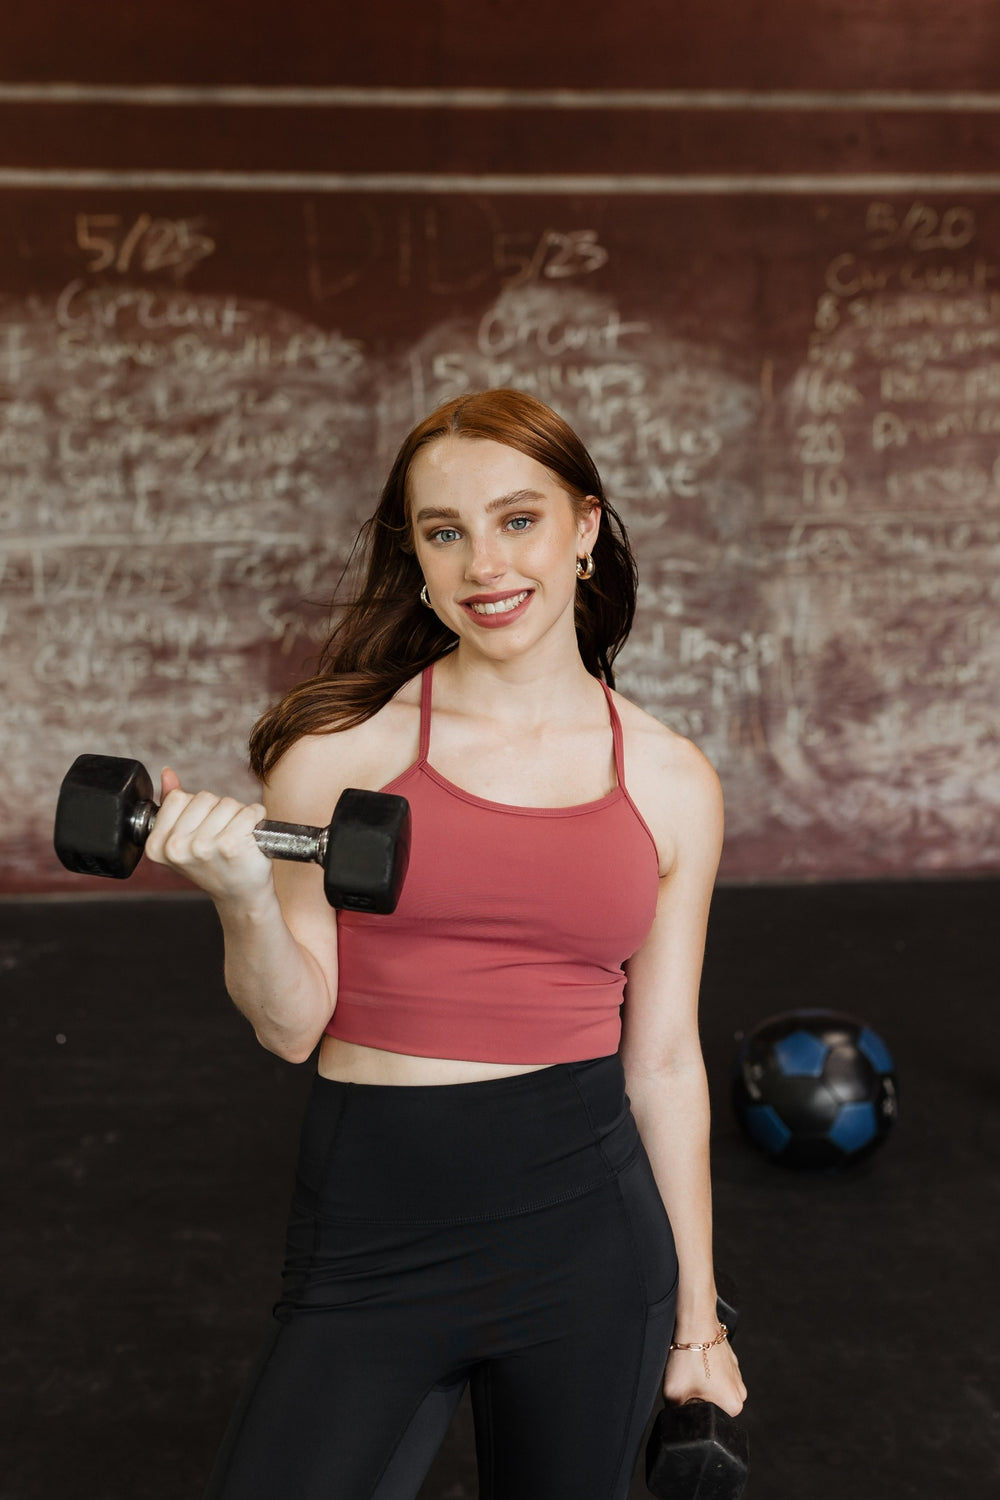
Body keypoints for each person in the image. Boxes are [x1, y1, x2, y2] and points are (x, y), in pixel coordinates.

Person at [146, 388, 746, 1500]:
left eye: (517, 519)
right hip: (372, 1231)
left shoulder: (668, 780)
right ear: (417, 561)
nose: (484, 563)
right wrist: (237, 893)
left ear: (584, 530)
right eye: (444, 531)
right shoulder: (338, 755)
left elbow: (663, 1061)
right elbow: (290, 1027)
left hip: (587, 1240)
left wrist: (697, 1323)